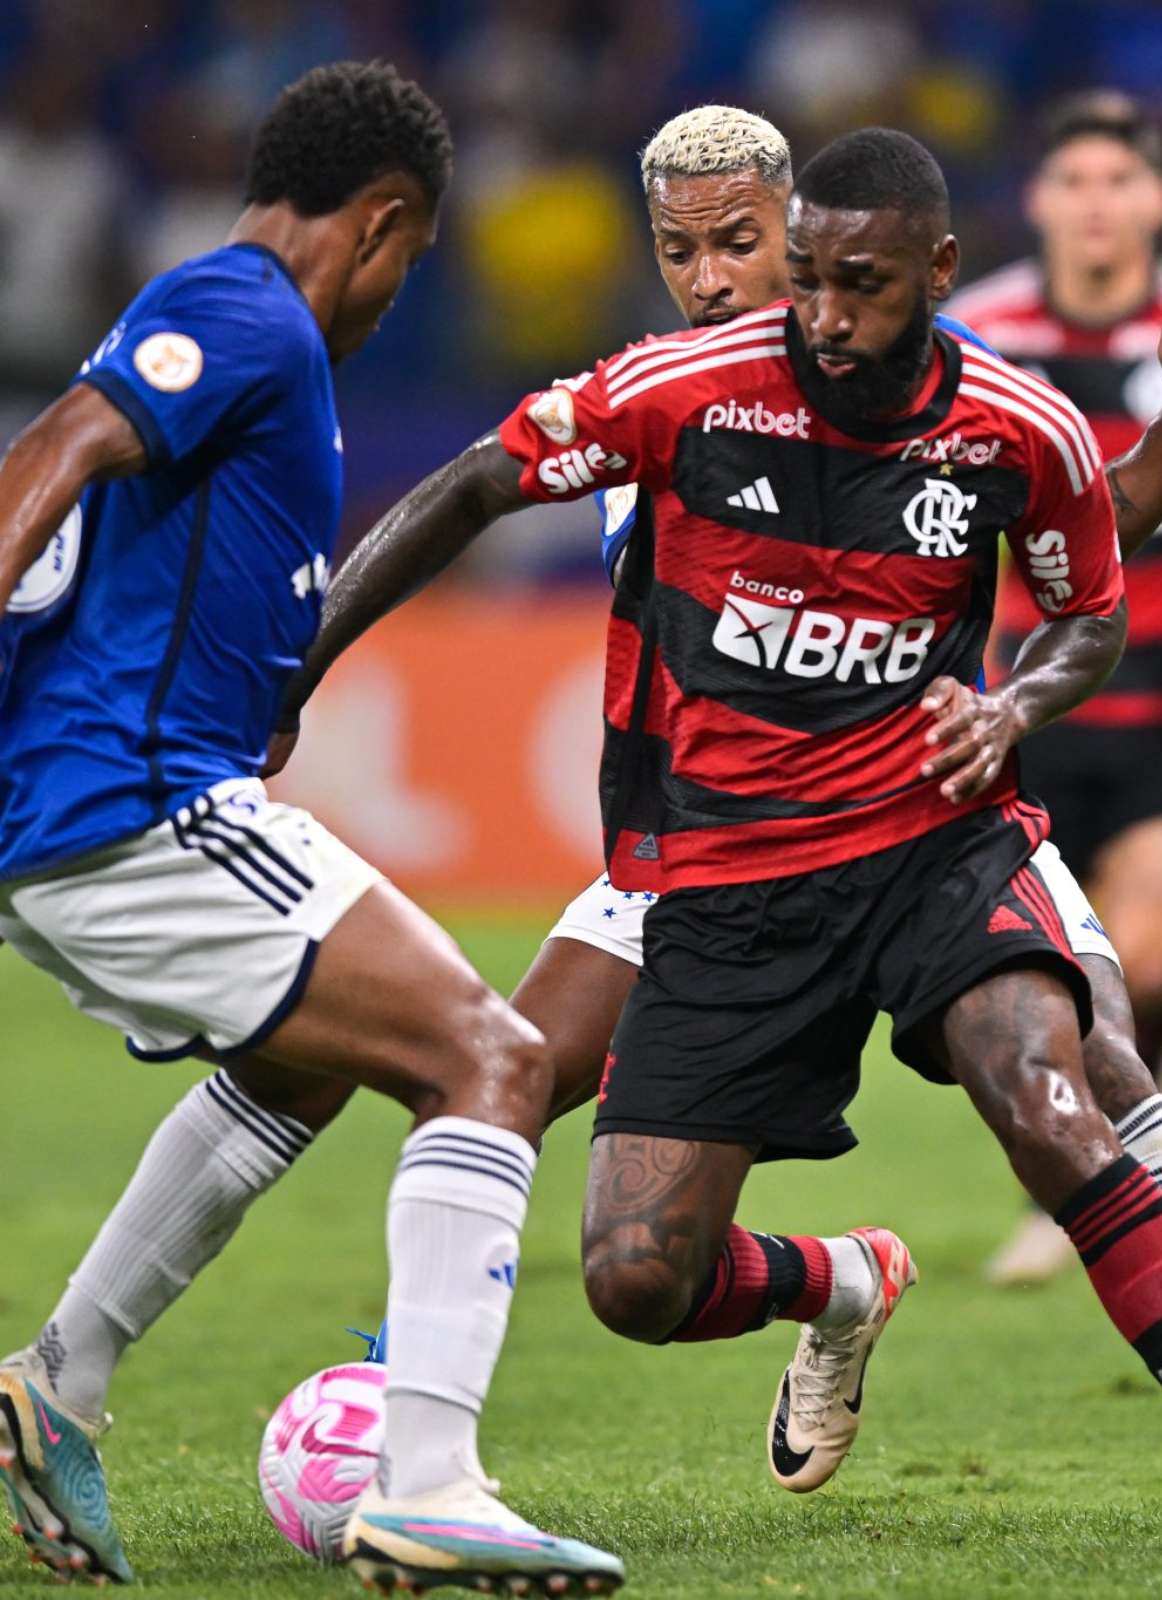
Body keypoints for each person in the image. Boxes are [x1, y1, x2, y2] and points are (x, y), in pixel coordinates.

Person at [273, 127, 1162, 1474]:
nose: (822, 317)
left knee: (1061, 1091)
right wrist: (296, 664)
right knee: (636, 1278)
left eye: (859, 284)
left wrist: (1008, 706)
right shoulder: (682, 390)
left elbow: (1085, 592)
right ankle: (842, 1279)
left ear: (936, 269)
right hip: (718, 872)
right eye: (806, 278)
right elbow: (478, 481)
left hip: (932, 841)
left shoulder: (1013, 420)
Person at [0, 61, 623, 1597]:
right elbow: (56, 448)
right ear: (389, 219)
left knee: (311, 1058)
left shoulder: (232, 321)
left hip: (116, 789)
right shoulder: (251, 310)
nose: (406, 290)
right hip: (128, 801)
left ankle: (54, 1383)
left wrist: (268, 676)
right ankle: (433, 1484)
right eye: (413, 257)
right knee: (492, 1056)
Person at [950, 91, 1162, 1285]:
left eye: (1120, 182)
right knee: (1054, 983)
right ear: (1042, 201)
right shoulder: (973, 328)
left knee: (1145, 963)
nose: (1097, 205)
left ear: (1155, 197)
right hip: (1032, 684)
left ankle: (1109, 1184)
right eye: (1074, 183)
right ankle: (1089, 1179)